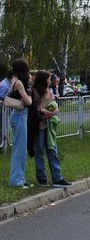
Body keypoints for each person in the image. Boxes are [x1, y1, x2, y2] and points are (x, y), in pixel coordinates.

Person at [31, 71, 70, 187]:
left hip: (49, 125)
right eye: (48, 79)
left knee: (52, 150)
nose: (50, 81)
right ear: (43, 80)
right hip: (39, 126)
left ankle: (57, 177)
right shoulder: (34, 92)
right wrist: (45, 111)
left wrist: (49, 112)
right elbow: (35, 109)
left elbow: (55, 107)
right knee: (39, 152)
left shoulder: (50, 91)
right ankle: (41, 177)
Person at [6, 59, 34, 188]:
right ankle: (16, 179)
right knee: (20, 149)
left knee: (20, 149)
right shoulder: (19, 83)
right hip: (20, 115)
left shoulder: (13, 80)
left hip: (18, 115)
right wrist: (29, 96)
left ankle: (20, 178)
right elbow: (28, 102)